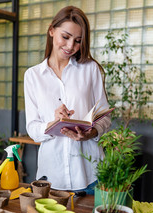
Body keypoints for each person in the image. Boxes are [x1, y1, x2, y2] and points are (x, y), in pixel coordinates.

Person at [24, 6, 111, 193]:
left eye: (78, 41)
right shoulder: (33, 76)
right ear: (51, 30)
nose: (71, 46)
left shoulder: (90, 69)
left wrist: (92, 132)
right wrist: (52, 123)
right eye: (65, 37)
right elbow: (32, 128)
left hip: (90, 175)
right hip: (52, 177)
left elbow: (104, 116)